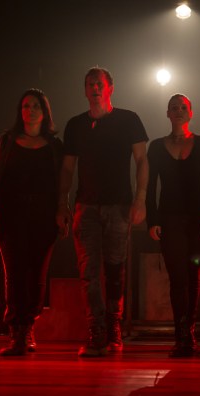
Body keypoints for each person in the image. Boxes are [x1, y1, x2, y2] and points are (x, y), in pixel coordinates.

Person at [56, 67, 149, 357]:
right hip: (86, 206)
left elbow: (142, 160)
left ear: (110, 88)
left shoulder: (128, 119)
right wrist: (62, 203)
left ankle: (113, 326)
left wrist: (141, 199)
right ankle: (96, 330)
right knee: (89, 272)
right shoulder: (76, 125)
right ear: (84, 90)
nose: (94, 88)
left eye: (99, 83)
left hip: (119, 205)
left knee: (115, 269)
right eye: (90, 84)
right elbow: (67, 168)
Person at [0, 88, 64, 356]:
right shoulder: (7, 141)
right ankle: (16, 331)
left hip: (43, 216)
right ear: (20, 111)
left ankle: (29, 326)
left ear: (45, 111)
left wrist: (62, 212)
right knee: (14, 273)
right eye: (26, 106)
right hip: (11, 214)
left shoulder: (54, 146)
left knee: (36, 274)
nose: (31, 110)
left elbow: (63, 183)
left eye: (36, 106)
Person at [146, 94, 200, 357]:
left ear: (191, 112)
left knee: (193, 276)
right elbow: (149, 185)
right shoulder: (156, 147)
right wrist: (153, 220)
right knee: (177, 278)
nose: (178, 111)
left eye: (183, 107)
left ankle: (189, 331)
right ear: (167, 113)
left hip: (198, 220)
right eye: (174, 107)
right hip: (170, 220)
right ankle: (181, 335)